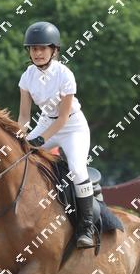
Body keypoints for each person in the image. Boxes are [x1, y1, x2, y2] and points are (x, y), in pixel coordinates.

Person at [18, 21, 94, 248]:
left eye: (42, 48)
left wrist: (41, 139)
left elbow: (62, 118)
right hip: (45, 122)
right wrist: (19, 136)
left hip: (72, 126)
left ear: (54, 50)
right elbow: (24, 116)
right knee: (18, 158)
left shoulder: (65, 75)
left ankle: (86, 227)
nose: (37, 53)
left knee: (77, 170)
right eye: (33, 48)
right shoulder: (27, 76)